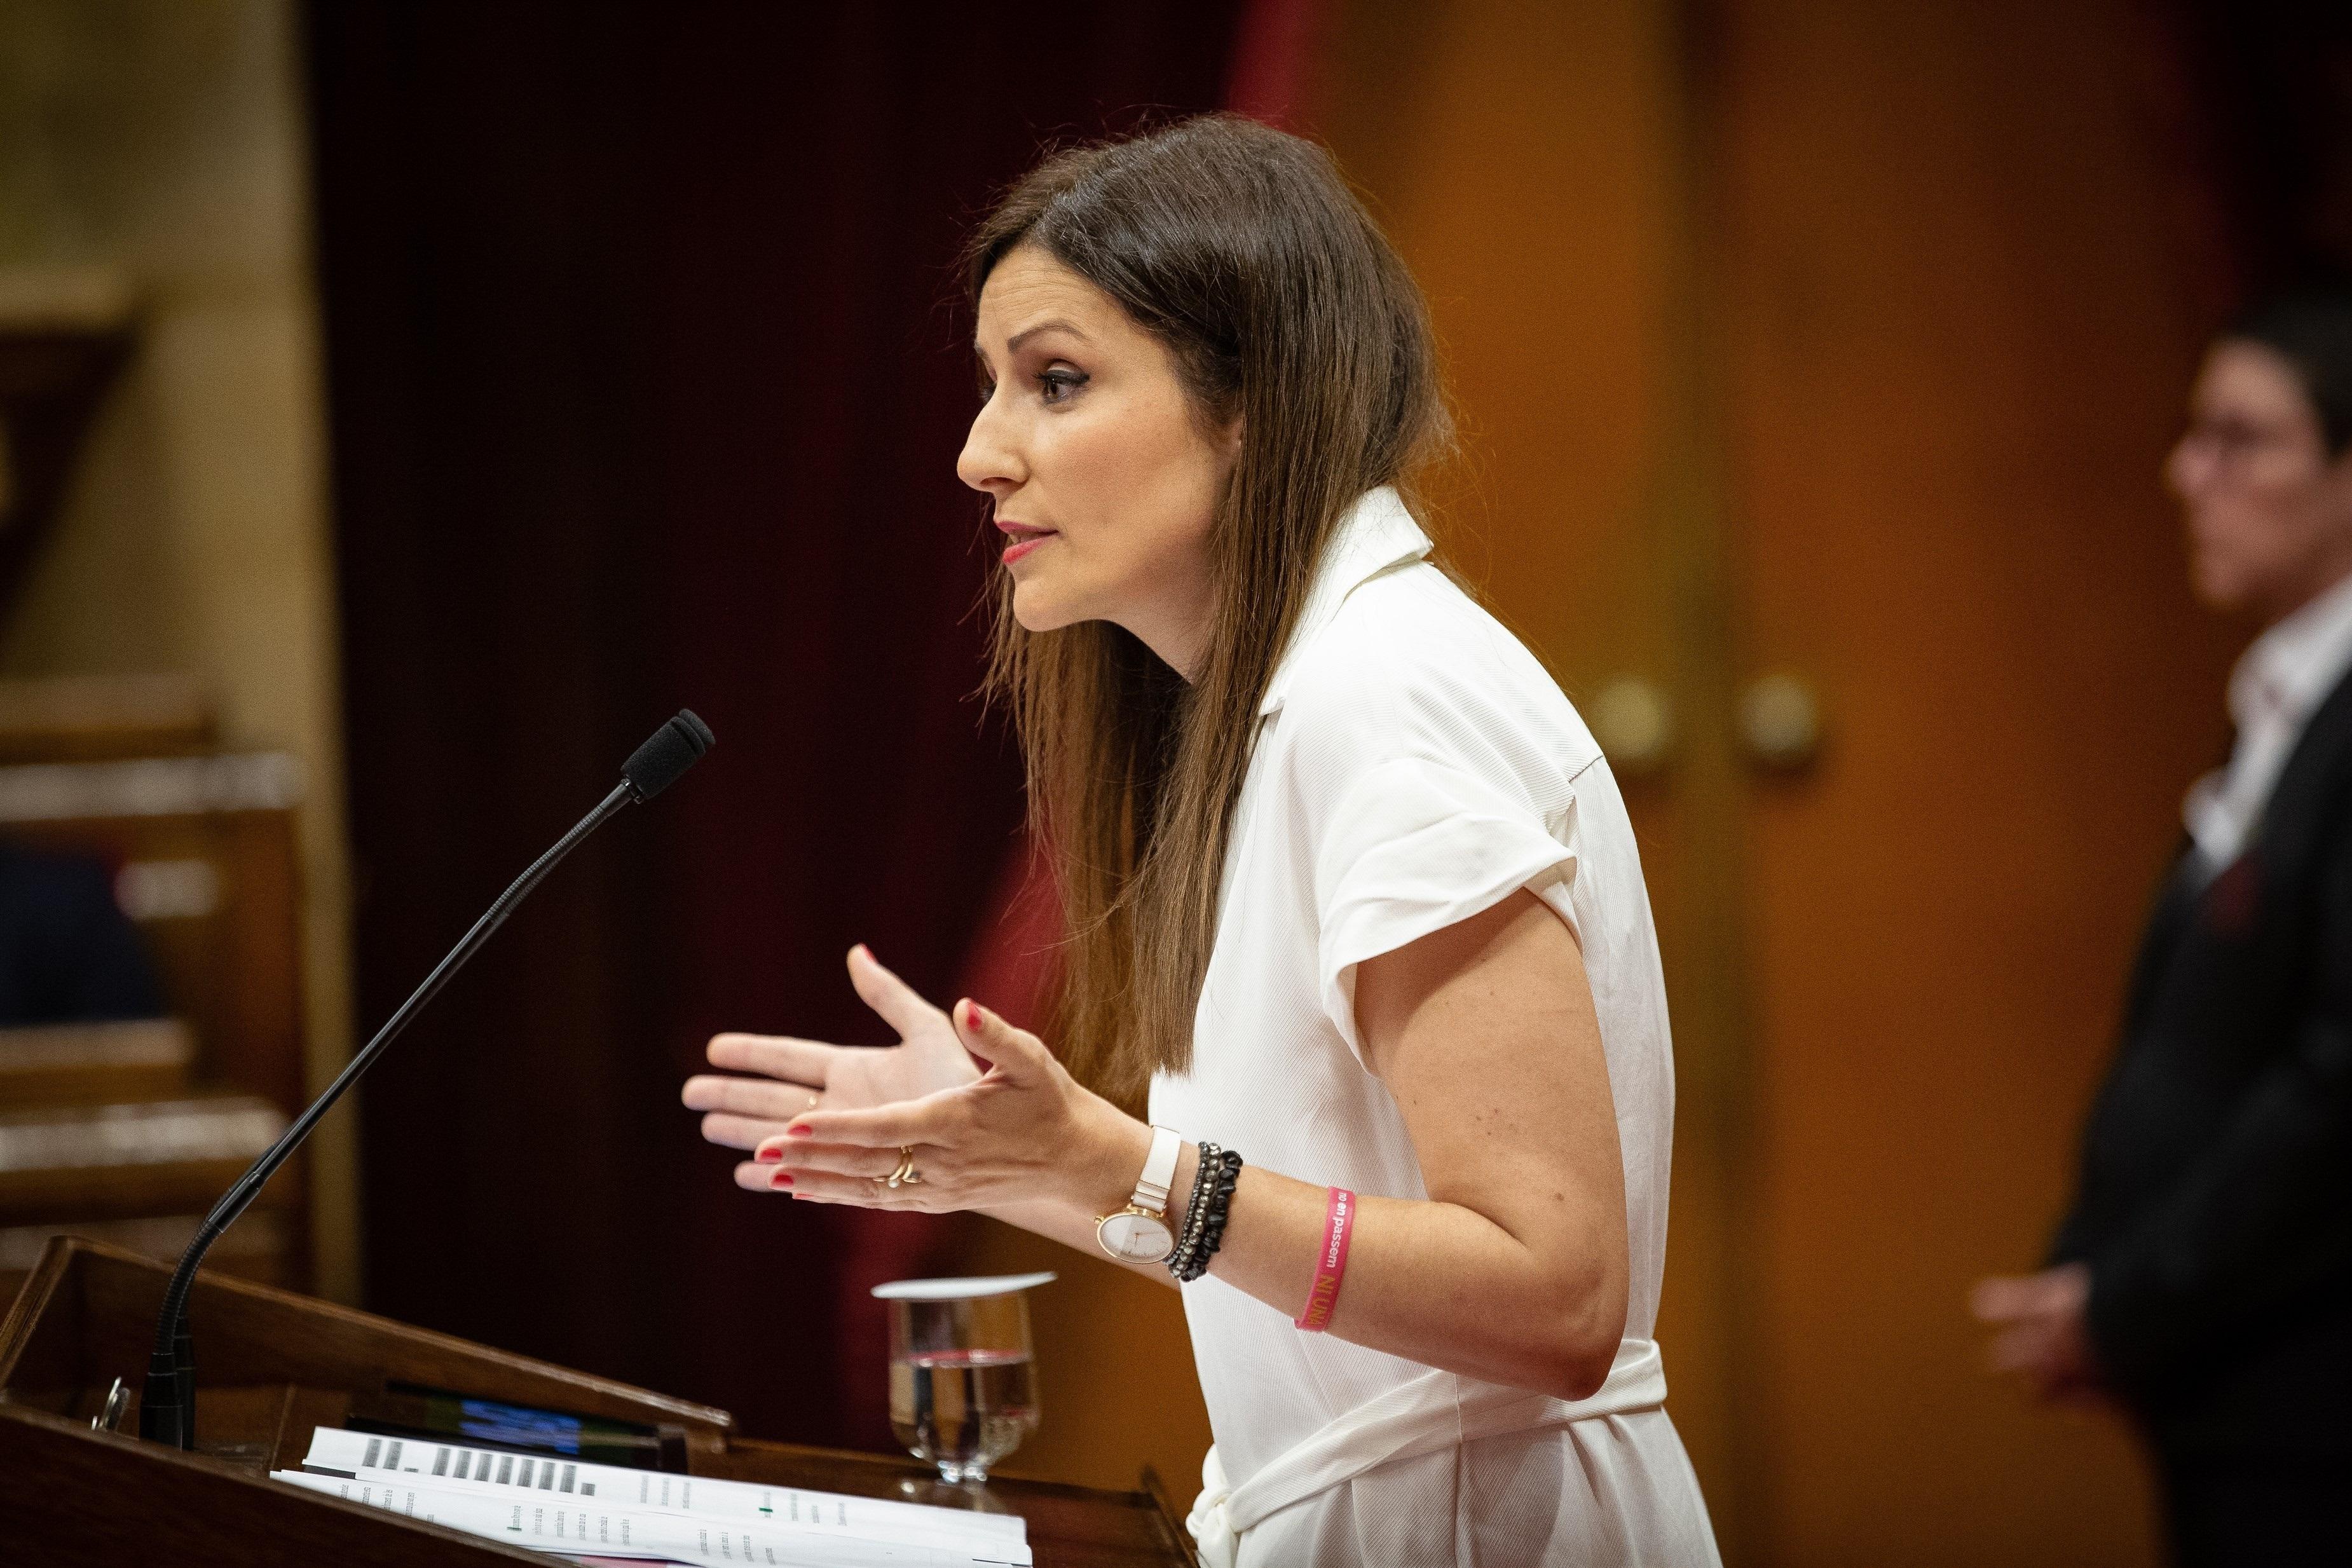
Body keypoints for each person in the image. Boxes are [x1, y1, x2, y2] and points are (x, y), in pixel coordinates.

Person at [681, 115, 1718, 1566]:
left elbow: (1550, 1295)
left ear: (1249, 401)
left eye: (1054, 380)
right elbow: (1303, 1228)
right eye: (992, 388)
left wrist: (1119, 1165)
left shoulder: (1386, 696)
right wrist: (1013, 1157)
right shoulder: (1291, 705)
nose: (981, 453)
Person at [1973, 285, 2352, 1564]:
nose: (2185, 472)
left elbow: (2337, 1089)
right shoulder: (2284, 700)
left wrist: (2131, 1301)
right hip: (2231, 1388)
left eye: (2240, 439)